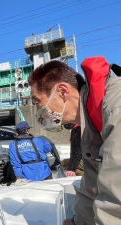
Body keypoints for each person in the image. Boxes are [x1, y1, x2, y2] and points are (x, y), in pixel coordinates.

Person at [28, 58, 121, 225]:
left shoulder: (116, 107)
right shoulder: (90, 125)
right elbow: (91, 189)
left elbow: (116, 200)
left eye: (37, 102)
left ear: (63, 92)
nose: (38, 111)